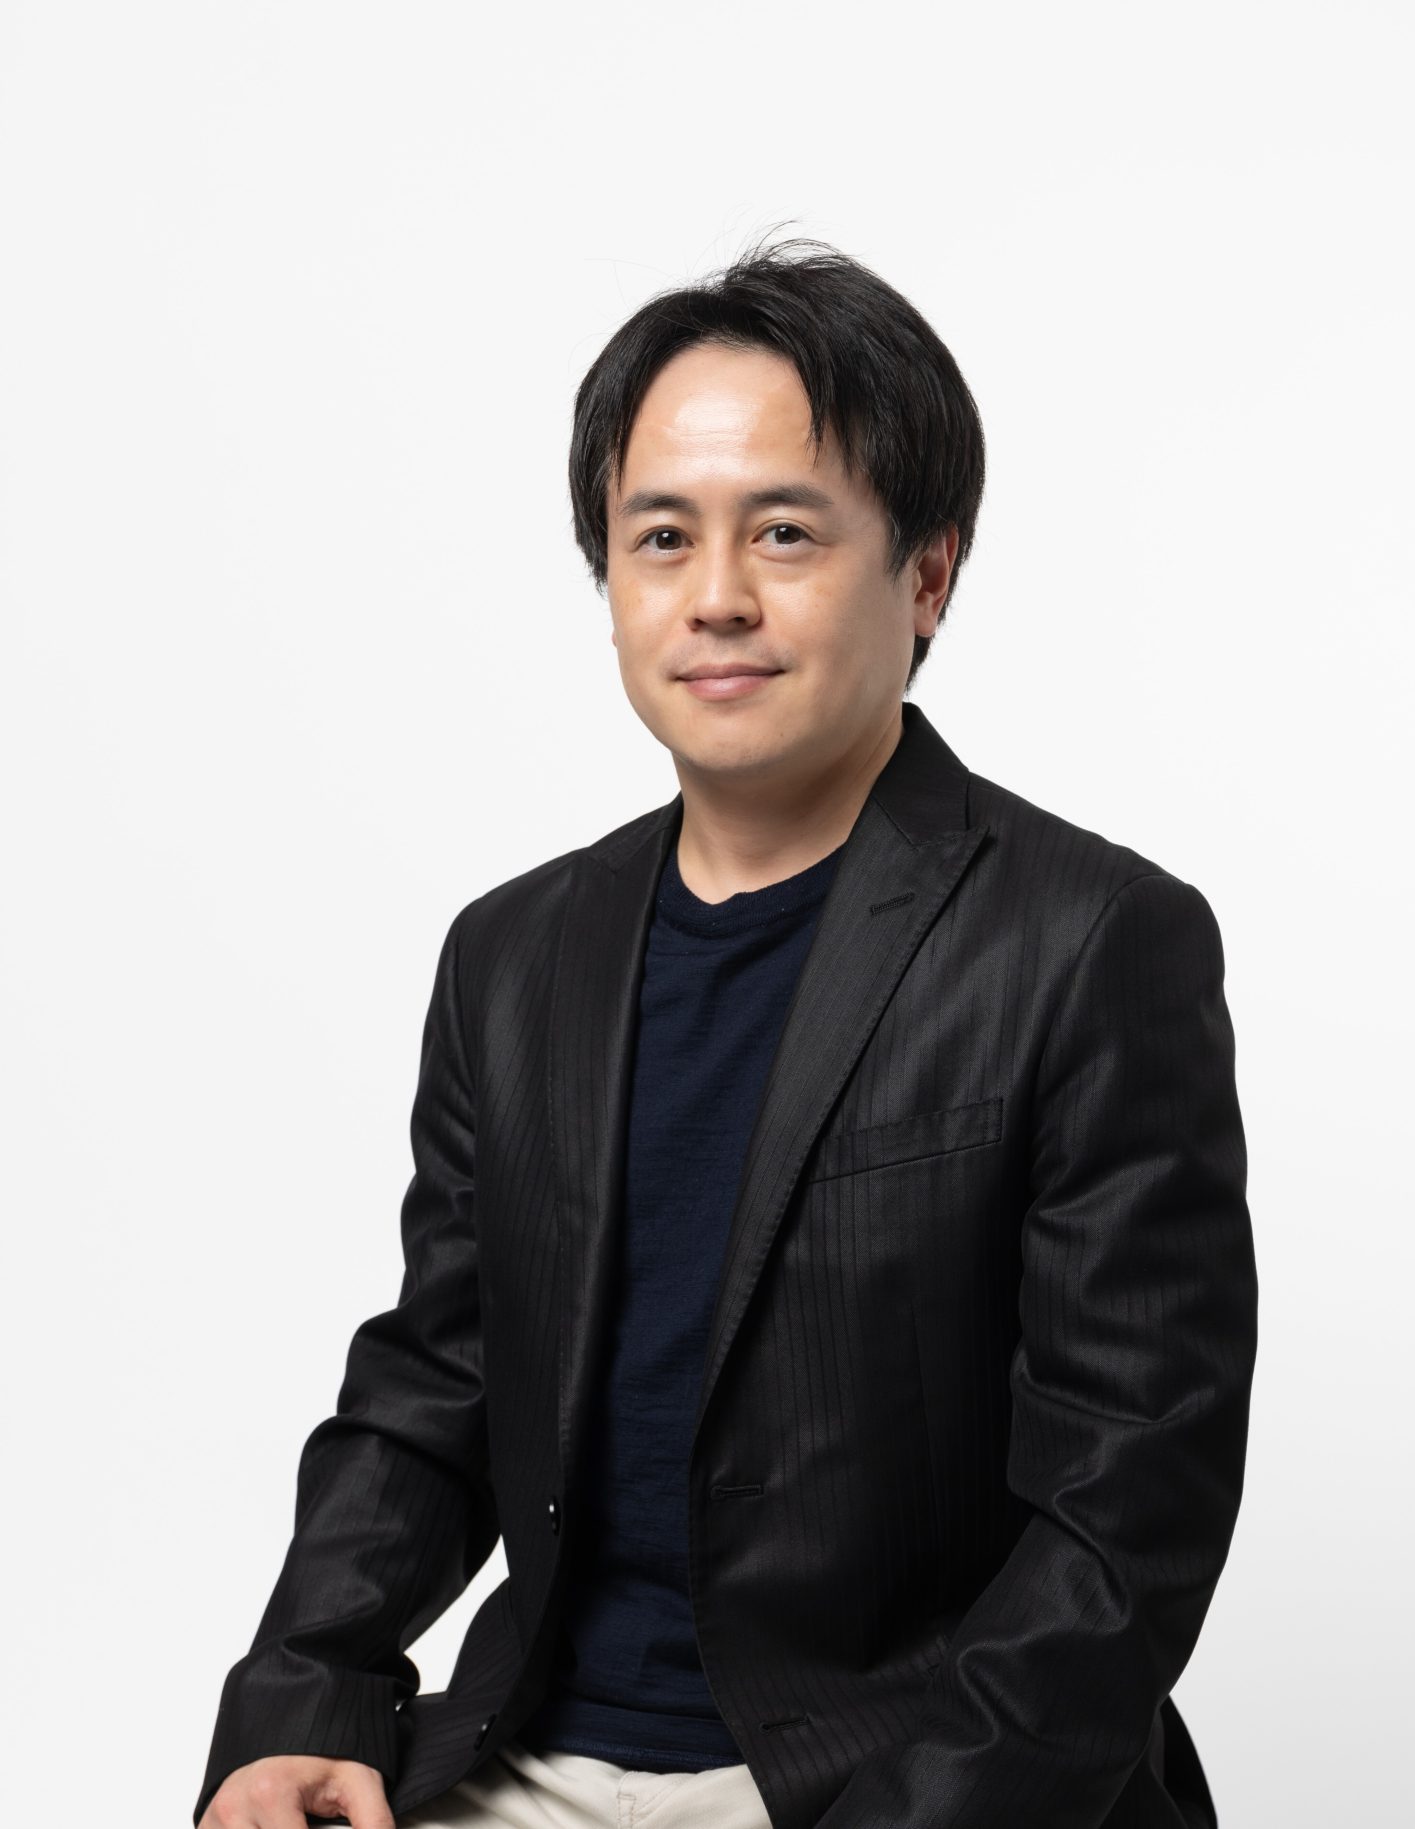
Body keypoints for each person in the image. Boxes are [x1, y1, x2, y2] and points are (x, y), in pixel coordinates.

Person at [194, 233, 1257, 1829]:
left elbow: (1131, 1504)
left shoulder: (1091, 941)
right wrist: (301, 1691)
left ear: (927, 574)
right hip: (527, 1760)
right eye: (661, 537)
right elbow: (434, 1383)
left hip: (900, 1780)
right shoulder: (513, 957)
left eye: (784, 531)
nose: (717, 598)